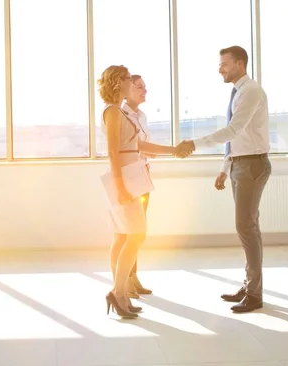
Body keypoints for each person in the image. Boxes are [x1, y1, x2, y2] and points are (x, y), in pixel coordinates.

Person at [178, 45, 271, 313]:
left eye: (225, 64)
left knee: (246, 227)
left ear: (240, 64)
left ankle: (254, 294)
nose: (220, 69)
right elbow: (238, 137)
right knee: (249, 228)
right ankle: (251, 286)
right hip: (241, 164)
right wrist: (225, 166)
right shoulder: (239, 92)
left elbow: (234, 129)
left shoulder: (251, 91)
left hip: (252, 165)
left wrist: (194, 144)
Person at [99, 65, 189, 319]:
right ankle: (119, 292)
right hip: (124, 179)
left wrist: (174, 150)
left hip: (131, 176)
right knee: (137, 235)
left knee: (122, 237)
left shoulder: (119, 112)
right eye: (129, 79)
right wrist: (120, 188)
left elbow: (140, 145)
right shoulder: (113, 112)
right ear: (119, 82)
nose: (133, 83)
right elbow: (113, 153)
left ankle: (121, 293)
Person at [121, 75, 153, 298]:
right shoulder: (121, 114)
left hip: (143, 175)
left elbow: (143, 147)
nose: (144, 91)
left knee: (139, 231)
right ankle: (126, 280)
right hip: (130, 177)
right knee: (130, 232)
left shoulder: (142, 116)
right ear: (127, 89)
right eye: (139, 87)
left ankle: (134, 277)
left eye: (145, 87)